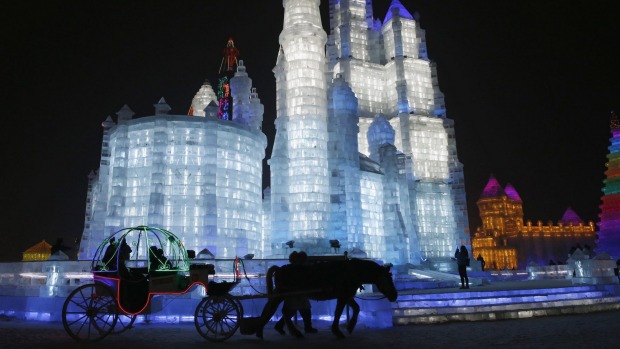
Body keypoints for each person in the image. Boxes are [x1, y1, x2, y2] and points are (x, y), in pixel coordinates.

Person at [274, 251, 317, 335]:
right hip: (294, 293)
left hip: (296, 292)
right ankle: (306, 327)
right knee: (296, 309)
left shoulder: (292, 268)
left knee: (302, 309)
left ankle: (280, 325)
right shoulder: (295, 269)